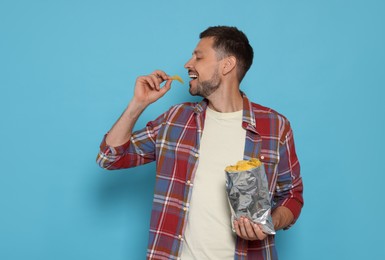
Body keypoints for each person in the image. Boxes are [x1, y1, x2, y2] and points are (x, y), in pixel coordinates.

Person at [96, 26, 303, 260]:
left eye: (198, 56)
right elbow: (109, 157)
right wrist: (138, 104)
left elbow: (292, 195)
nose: (187, 64)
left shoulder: (275, 126)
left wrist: (268, 222)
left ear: (227, 65)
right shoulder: (175, 121)